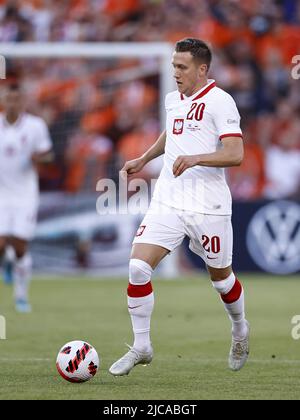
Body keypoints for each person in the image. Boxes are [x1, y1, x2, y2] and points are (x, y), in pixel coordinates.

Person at [109, 38, 249, 376]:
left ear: (202, 69)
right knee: (138, 268)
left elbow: (235, 154)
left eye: (182, 67)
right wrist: (143, 158)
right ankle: (141, 346)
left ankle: (240, 329)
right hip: (169, 200)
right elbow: (172, 134)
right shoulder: (174, 100)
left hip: (209, 205)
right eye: (173, 66)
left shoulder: (221, 102)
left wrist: (197, 157)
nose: (175, 73)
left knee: (221, 280)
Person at [0, 83, 53, 312]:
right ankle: (7, 261)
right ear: (4, 101)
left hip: (25, 194)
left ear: (22, 102)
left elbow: (48, 155)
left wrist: (38, 158)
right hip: (1, 193)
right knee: (1, 243)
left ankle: (21, 296)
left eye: (16, 99)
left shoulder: (35, 126)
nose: (12, 103)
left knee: (20, 245)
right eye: (8, 99)